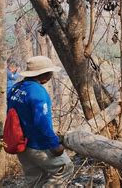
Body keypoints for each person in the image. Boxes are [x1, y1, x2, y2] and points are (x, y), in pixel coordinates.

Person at [7, 56, 74, 186]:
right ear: (43, 74)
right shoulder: (38, 92)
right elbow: (41, 122)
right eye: (50, 73)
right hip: (38, 146)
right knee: (65, 167)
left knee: (34, 180)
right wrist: (54, 144)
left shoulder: (16, 88)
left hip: (21, 146)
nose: (51, 76)